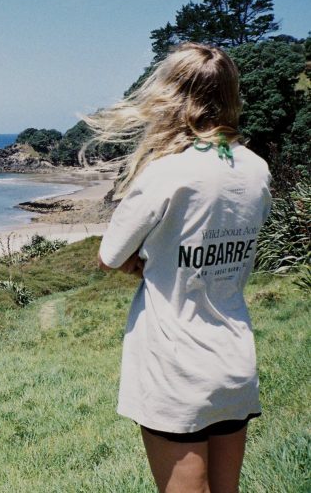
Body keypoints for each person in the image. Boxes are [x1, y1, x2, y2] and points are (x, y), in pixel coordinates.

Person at [88, 43, 271, 493]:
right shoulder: (256, 169)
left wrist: (153, 261)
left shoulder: (165, 173)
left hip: (175, 364)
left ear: (171, 95)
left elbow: (110, 256)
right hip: (233, 357)